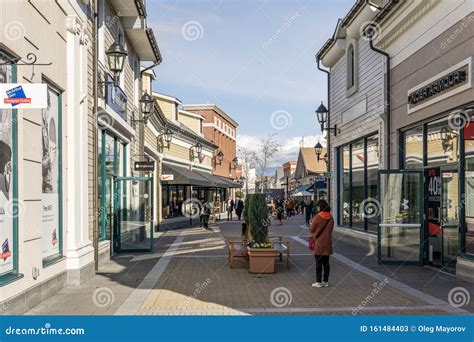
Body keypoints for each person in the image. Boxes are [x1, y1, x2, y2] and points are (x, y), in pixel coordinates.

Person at [309, 199, 334, 288]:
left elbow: (311, 230)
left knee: (318, 263)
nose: (317, 208)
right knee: (326, 263)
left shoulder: (317, 217)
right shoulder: (331, 217)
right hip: (327, 242)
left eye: (318, 206)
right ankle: (325, 281)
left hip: (319, 243)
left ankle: (318, 282)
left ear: (320, 207)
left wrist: (311, 224)